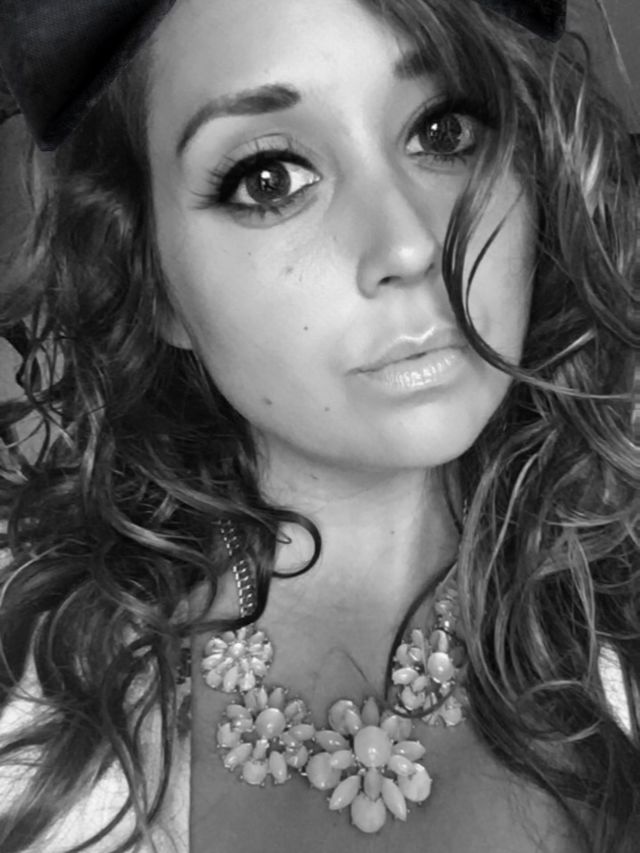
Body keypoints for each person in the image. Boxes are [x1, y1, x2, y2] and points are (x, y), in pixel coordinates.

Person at [0, 0, 638, 850]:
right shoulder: (41, 684)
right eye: (269, 178)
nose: (408, 244)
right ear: (151, 276)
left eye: (443, 130)